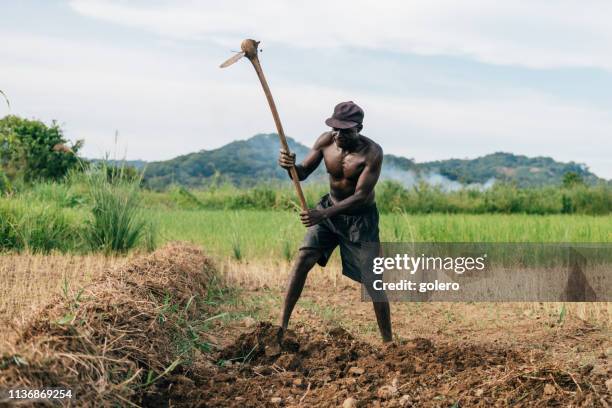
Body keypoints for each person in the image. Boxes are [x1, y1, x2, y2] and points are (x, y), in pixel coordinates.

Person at [278, 101, 392, 342]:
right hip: (329, 210)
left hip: (360, 219)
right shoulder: (326, 141)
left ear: (359, 128)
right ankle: (282, 326)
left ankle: (388, 341)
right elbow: (303, 173)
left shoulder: (372, 152)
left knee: (373, 280)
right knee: (303, 259)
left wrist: (322, 215)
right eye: (335, 128)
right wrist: (290, 167)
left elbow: (360, 196)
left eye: (345, 130)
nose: (338, 135)